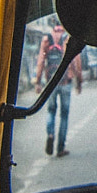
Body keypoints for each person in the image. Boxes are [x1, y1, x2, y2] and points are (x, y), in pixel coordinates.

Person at [36, 26, 83, 156]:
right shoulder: (67, 39)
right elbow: (76, 61)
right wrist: (79, 81)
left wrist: (38, 82)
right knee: (64, 115)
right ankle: (60, 148)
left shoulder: (47, 39)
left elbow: (41, 61)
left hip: (51, 83)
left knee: (51, 111)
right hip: (65, 82)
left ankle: (50, 134)